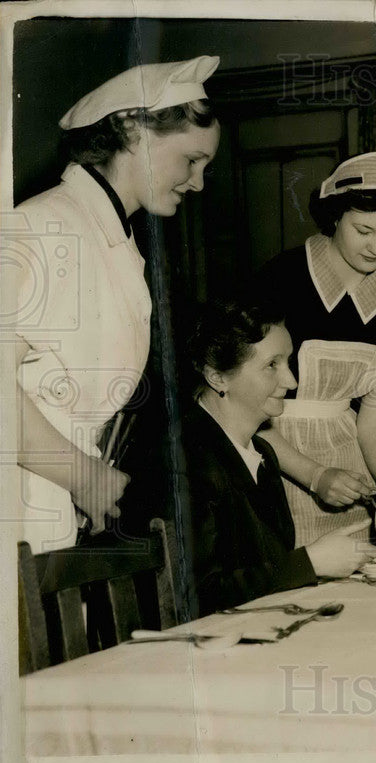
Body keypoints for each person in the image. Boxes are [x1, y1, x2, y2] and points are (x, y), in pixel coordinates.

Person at [13, 56, 221, 552]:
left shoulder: (115, 238)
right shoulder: (45, 225)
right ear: (134, 132)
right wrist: (82, 474)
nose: (198, 182)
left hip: (58, 500)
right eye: (191, 160)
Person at [179, 297, 376, 617]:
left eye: (288, 362)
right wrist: (311, 563)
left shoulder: (262, 453)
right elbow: (192, 596)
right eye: (271, 366)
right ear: (218, 378)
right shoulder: (184, 460)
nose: (291, 382)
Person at [257, 150, 376, 545]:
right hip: (274, 463)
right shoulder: (281, 279)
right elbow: (245, 405)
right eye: (363, 230)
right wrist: (316, 475)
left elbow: (375, 422)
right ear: (334, 216)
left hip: (350, 471)